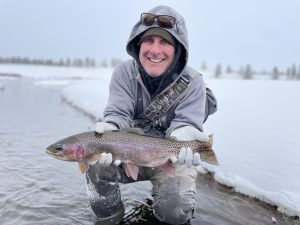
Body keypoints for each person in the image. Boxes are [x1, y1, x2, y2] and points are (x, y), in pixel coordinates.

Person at [85, 5, 217, 225]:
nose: (155, 50)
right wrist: (111, 128)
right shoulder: (124, 73)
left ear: (178, 49)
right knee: (96, 163)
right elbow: (119, 113)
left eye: (165, 41)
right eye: (149, 40)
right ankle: (109, 219)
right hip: (127, 151)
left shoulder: (193, 82)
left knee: (174, 213)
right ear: (138, 45)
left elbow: (185, 123)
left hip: (169, 156)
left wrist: (185, 136)